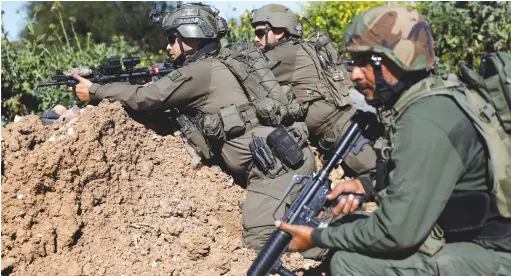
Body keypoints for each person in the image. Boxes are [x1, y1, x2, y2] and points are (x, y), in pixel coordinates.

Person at [276, 6, 511, 275]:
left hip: (497, 254)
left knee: (351, 264)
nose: (354, 73)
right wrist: (367, 186)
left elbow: (397, 232)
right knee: (348, 228)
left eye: (366, 61)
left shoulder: (425, 119)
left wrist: (316, 237)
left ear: (401, 60)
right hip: (476, 240)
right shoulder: (430, 101)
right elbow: (426, 178)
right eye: (353, 62)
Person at [67, 3, 316, 250]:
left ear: (192, 38)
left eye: (173, 38)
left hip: (275, 167)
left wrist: (95, 90)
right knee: (305, 232)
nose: (167, 46)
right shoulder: (220, 62)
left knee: (261, 243)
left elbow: (146, 98)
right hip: (284, 155)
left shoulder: (200, 70)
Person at [250, 4, 376, 176]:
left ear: (279, 32)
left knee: (378, 179)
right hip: (342, 128)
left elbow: (247, 73)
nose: (256, 39)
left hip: (343, 133)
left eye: (259, 33)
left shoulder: (284, 54)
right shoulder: (297, 48)